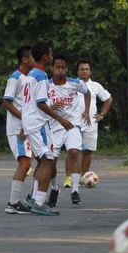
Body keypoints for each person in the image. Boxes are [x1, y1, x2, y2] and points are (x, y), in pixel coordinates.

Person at [21, 41, 73, 216]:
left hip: (30, 122)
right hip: (38, 123)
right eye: (50, 54)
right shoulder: (41, 76)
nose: (52, 57)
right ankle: (40, 202)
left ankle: (34, 198)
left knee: (44, 161)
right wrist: (61, 119)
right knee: (49, 161)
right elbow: (41, 103)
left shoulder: (30, 75)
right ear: (45, 57)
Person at [47, 54, 90, 205]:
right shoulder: (46, 85)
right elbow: (39, 104)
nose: (60, 70)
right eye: (57, 67)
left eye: (62, 67)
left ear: (66, 69)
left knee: (73, 152)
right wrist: (50, 107)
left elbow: (87, 92)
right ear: (52, 68)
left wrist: (86, 110)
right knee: (50, 161)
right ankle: (54, 188)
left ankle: (75, 190)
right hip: (54, 126)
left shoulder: (74, 83)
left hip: (72, 125)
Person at [62, 59, 113, 187]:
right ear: (77, 71)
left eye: (87, 69)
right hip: (73, 122)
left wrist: (102, 114)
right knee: (72, 151)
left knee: (87, 151)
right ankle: (68, 178)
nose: (84, 71)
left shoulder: (95, 86)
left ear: (90, 71)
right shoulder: (71, 84)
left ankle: (83, 177)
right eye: (82, 69)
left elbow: (108, 99)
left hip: (90, 122)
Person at [2, 45, 33, 214]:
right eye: (33, 57)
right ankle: (13, 203)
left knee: (34, 162)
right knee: (25, 162)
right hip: (17, 128)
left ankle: (33, 198)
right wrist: (24, 121)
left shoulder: (32, 78)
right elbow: (7, 102)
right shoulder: (15, 78)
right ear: (25, 59)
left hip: (29, 127)